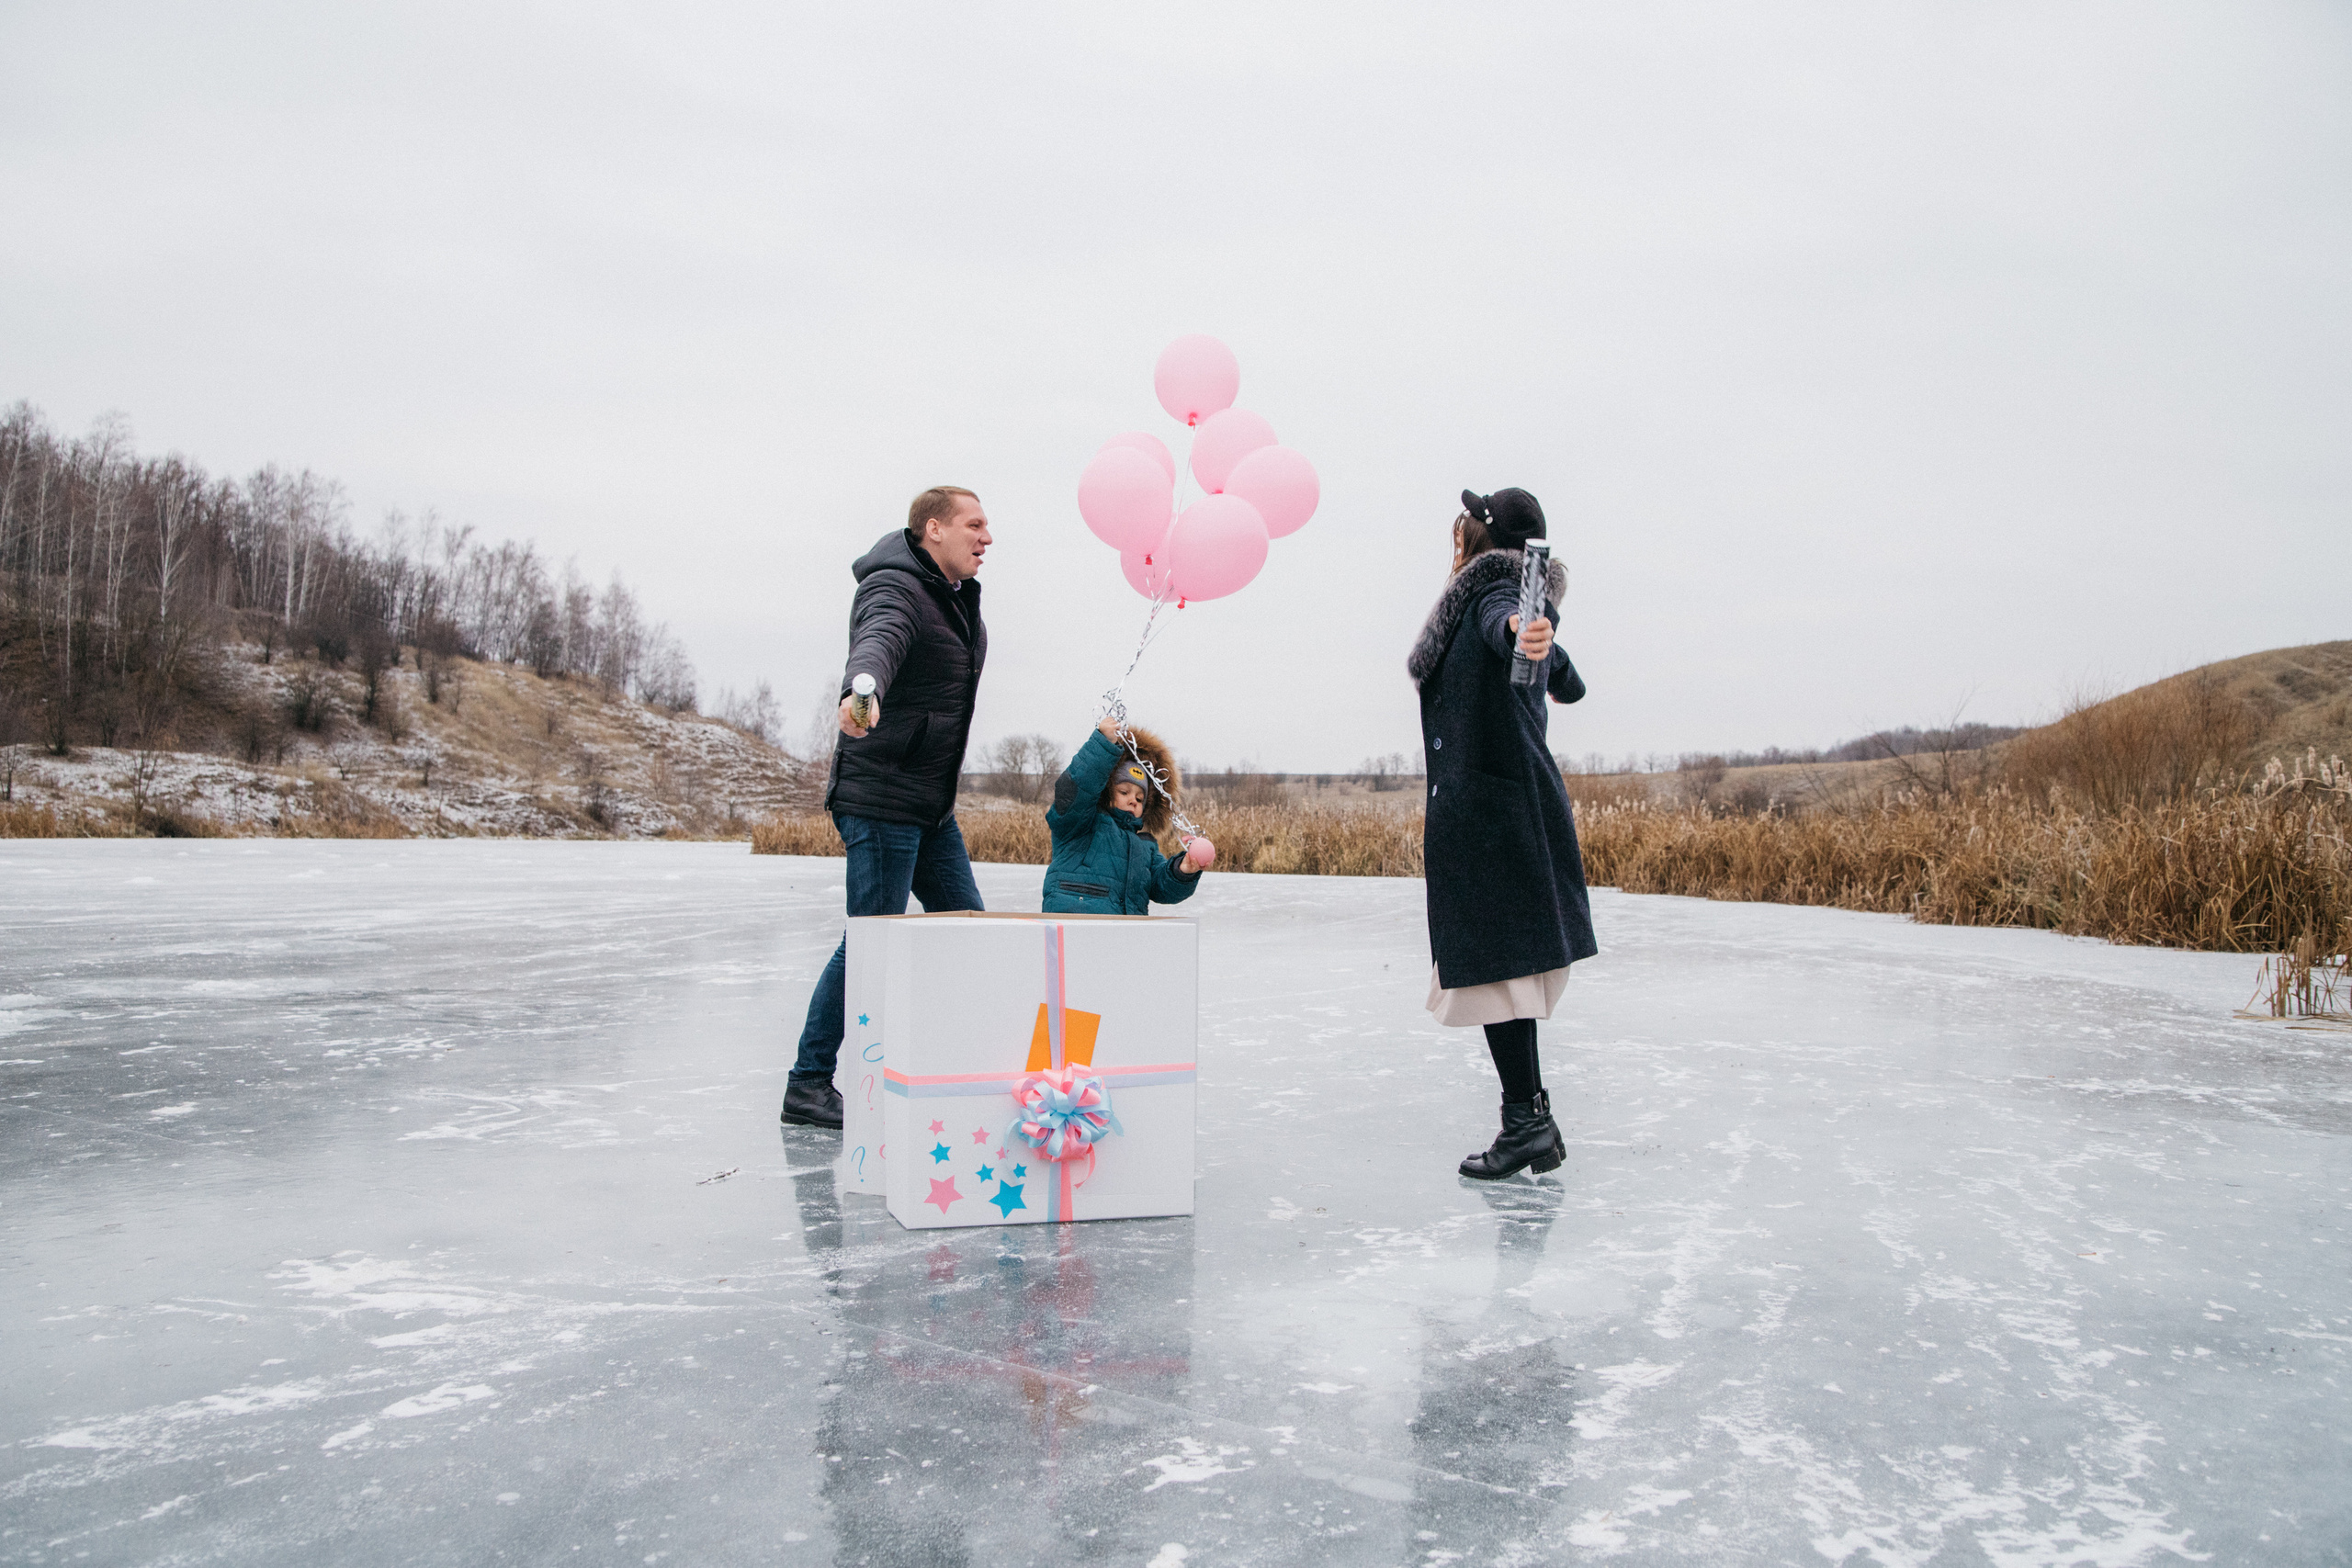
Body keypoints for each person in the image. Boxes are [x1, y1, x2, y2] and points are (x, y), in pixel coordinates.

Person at [780, 486, 992, 1130]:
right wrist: (857, 693)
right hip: (881, 800)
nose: (987, 537)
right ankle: (809, 1083)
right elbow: (879, 642)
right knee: (870, 942)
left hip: (927, 804)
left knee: (965, 926)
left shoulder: (952, 598)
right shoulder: (897, 588)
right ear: (933, 528)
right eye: (974, 524)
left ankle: (951, 1058)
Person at [1406, 486, 1596, 1179]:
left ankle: (1527, 1124)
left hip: (1493, 815)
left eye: (1465, 524)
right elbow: (1566, 680)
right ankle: (1529, 1120)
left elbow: (1505, 619)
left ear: (1483, 539)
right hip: (1496, 809)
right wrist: (1542, 646)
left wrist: (1522, 630)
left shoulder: (1491, 591)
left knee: (1499, 973)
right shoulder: (1501, 596)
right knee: (1500, 974)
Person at [1040, 718, 1215, 915]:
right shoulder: (1082, 823)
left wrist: (1183, 870)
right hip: (1076, 923)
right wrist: (1103, 745)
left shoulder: (1145, 846)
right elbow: (1077, 788)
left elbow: (1161, 886)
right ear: (1107, 792)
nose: (1133, 800)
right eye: (1124, 792)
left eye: (1140, 799)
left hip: (1125, 934)